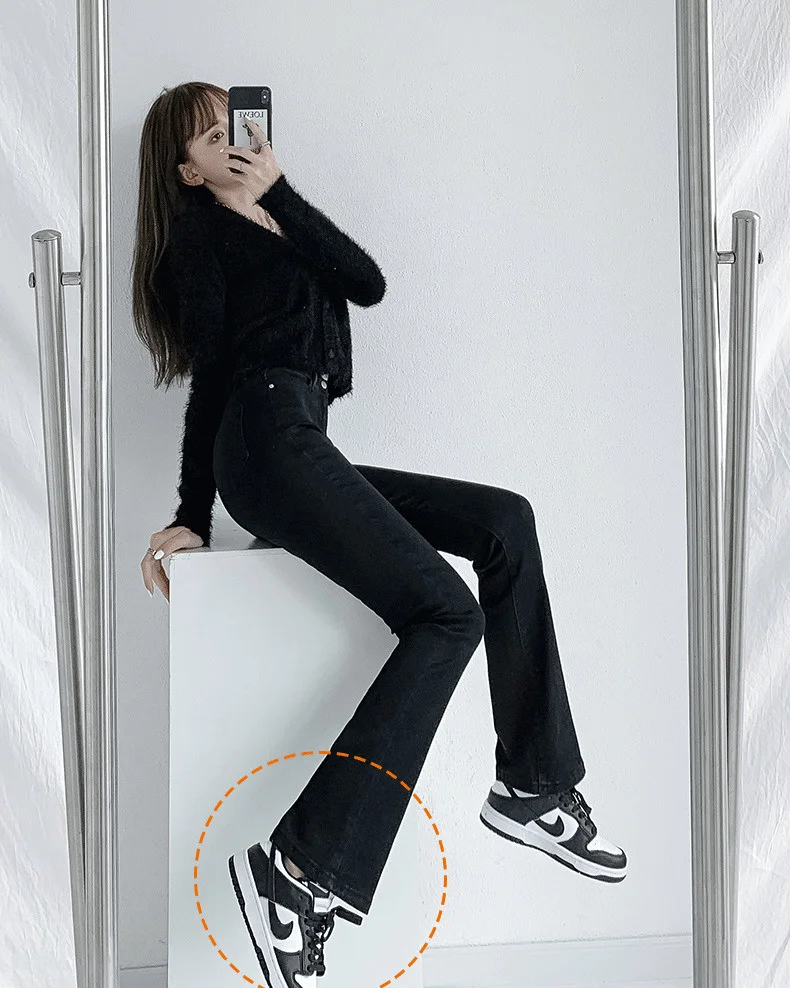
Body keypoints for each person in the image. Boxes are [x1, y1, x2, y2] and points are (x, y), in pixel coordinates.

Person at [134, 82, 626, 988]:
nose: (231, 139)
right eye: (209, 135)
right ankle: (299, 869)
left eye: (235, 122)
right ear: (187, 171)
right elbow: (210, 378)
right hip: (262, 443)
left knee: (505, 521)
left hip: (304, 441)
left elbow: (367, 282)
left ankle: (534, 782)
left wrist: (280, 193)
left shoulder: (278, 217)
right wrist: (193, 515)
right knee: (447, 615)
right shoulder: (197, 242)